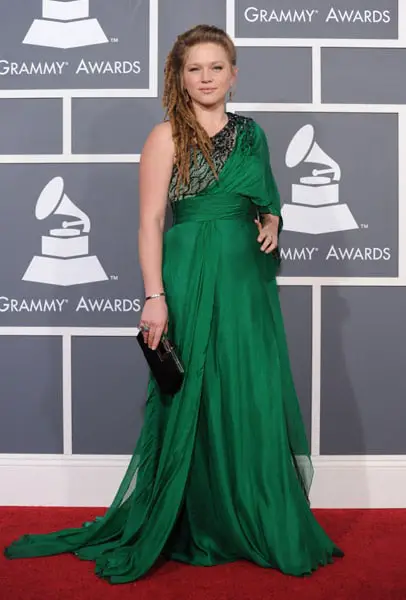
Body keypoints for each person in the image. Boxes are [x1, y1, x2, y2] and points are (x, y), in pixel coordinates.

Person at [4, 24, 343, 583]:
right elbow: (150, 221)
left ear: (233, 75)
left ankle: (253, 514)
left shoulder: (253, 134)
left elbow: (267, 199)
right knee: (194, 393)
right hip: (188, 273)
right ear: (180, 78)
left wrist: (272, 221)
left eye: (216, 67)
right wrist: (155, 296)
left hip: (246, 279)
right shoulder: (166, 137)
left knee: (248, 389)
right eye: (194, 69)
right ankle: (195, 519)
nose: (206, 78)